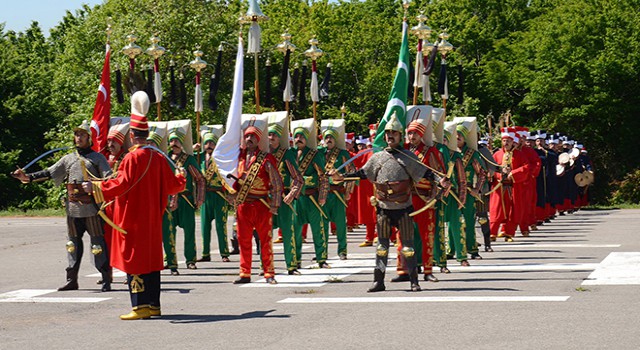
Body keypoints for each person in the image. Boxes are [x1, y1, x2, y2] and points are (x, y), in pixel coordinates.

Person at [85, 91, 186, 320]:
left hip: (132, 217)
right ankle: (153, 305)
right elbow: (173, 187)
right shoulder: (159, 157)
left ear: (132, 134)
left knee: (135, 261)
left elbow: (122, 184)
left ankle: (139, 307)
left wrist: (98, 188)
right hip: (152, 219)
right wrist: (181, 177)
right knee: (151, 261)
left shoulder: (132, 158)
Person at [331, 113, 437, 292]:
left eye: (394, 133)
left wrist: (440, 181)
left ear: (400, 135)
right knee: (381, 247)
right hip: (383, 209)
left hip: (403, 208)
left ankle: (414, 281)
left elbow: (426, 173)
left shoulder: (409, 157)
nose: (390, 136)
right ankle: (378, 281)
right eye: (388, 133)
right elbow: (363, 173)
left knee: (408, 247)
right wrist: (341, 177)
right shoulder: (378, 157)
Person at [12, 120, 113, 292]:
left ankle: (105, 279)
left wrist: (96, 185)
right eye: (77, 134)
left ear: (89, 138)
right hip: (73, 209)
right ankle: (71, 280)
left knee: (97, 245)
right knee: (72, 245)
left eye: (82, 134)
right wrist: (27, 177)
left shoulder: (97, 158)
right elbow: (49, 173)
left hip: (92, 209)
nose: (78, 137)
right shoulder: (68, 159)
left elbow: (108, 179)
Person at [232, 115, 283, 284]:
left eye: (252, 136)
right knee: (243, 240)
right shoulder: (238, 157)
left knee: (265, 240)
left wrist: (275, 204)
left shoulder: (267, 158)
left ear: (258, 139)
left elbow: (276, 182)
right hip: (243, 205)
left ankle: (269, 273)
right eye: (246, 136)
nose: (249, 139)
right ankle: (245, 273)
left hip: (261, 204)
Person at [398, 108, 446, 283]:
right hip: (404, 198)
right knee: (403, 235)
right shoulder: (401, 150)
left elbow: (439, 174)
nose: (412, 137)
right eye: (410, 133)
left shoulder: (431, 152)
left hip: (424, 199)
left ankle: (427, 270)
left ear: (421, 135)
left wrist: (436, 193)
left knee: (427, 234)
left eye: (415, 134)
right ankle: (403, 270)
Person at [290, 118, 330, 268]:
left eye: (301, 137)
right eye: (296, 136)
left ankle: (321, 258)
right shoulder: (290, 154)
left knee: (318, 229)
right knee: (295, 230)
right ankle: (296, 259)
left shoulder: (314, 154)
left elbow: (322, 176)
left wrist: (322, 196)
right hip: (296, 198)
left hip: (312, 197)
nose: (298, 139)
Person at [267, 112, 303, 275]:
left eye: (274, 134)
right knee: (264, 234)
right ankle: (265, 266)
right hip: (265, 200)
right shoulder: (262, 156)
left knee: (288, 232)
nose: (271, 137)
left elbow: (298, 178)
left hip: (284, 198)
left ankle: (291, 265)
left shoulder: (286, 154)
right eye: (269, 134)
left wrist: (292, 194)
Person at [167, 121, 205, 269]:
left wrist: (200, 198)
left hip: (186, 199)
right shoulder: (165, 159)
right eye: (171, 140)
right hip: (170, 200)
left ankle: (190, 260)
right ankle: (169, 260)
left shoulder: (188, 159)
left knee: (189, 231)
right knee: (168, 232)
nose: (174, 143)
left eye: (176, 140)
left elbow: (200, 179)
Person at [319, 119, 355, 260]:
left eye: (331, 137)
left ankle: (342, 250)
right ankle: (322, 252)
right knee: (322, 224)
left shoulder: (342, 154)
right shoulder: (319, 154)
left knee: (340, 224)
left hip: (338, 193)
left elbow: (352, 173)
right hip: (323, 193)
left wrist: (348, 192)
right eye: (326, 137)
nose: (328, 140)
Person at [453, 117, 487, 260]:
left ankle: (472, 250)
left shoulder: (472, 154)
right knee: (453, 222)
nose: (457, 138)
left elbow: (482, 174)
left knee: (469, 221)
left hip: (468, 191)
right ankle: (451, 250)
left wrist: (477, 189)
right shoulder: (450, 152)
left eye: (460, 135)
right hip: (453, 192)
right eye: (455, 135)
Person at [198, 125, 232, 263]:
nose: (209, 145)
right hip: (205, 196)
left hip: (219, 195)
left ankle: (224, 253)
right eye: (206, 142)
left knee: (220, 225)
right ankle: (205, 253)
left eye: (212, 142)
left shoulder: (222, 158)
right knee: (204, 226)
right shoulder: (198, 157)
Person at [489, 128, 528, 241]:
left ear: (512, 142)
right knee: (496, 209)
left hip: (513, 186)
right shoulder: (497, 154)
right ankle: (492, 233)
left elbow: (526, 168)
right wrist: (499, 175)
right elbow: (492, 168)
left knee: (513, 210)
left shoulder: (519, 155)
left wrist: (513, 174)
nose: (506, 143)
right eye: (504, 140)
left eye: (508, 141)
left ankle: (508, 232)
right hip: (499, 186)